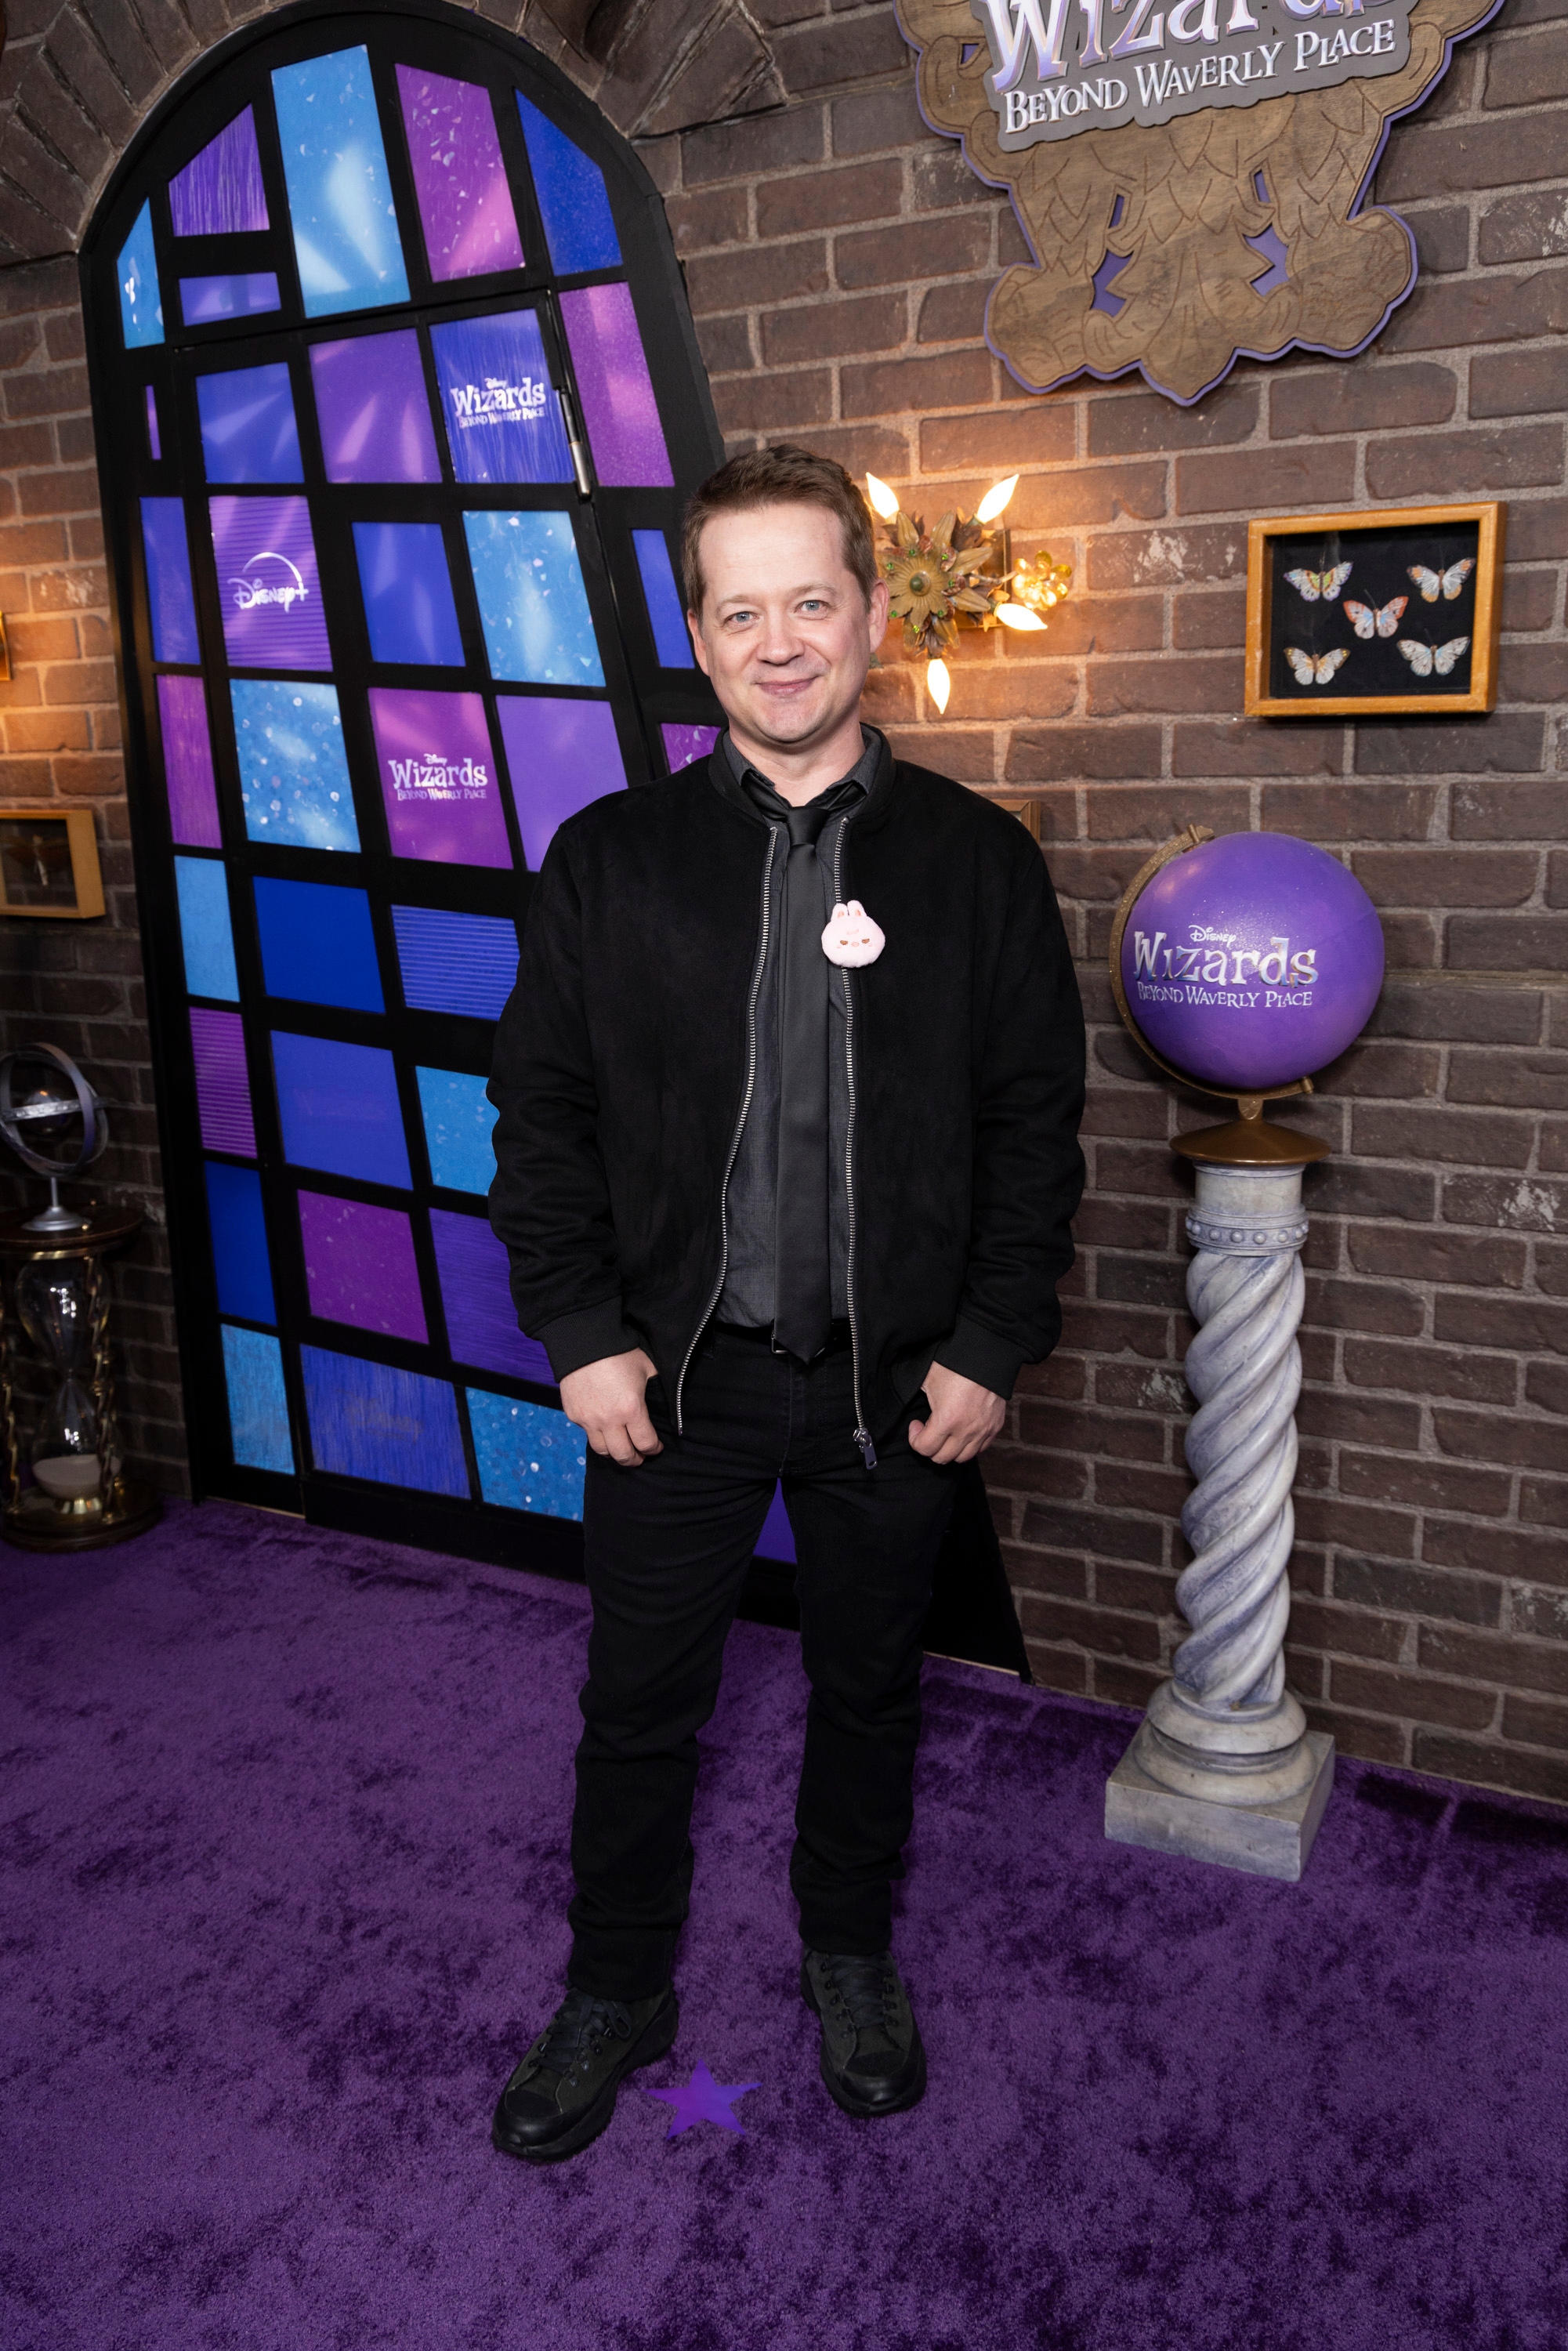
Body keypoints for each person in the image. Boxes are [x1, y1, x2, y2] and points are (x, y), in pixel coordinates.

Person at [486, 444, 1085, 2163]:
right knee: (636, 1706)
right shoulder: (609, 859)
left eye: (808, 602)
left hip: (895, 1388)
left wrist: (991, 1342)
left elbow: (1031, 1126)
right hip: (672, 1379)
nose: (777, 643)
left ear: (870, 615)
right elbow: (541, 1115)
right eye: (738, 612)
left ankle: (847, 1954)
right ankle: (617, 1985)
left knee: (871, 1686)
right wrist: (581, 1332)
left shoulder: (976, 861)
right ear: (697, 636)